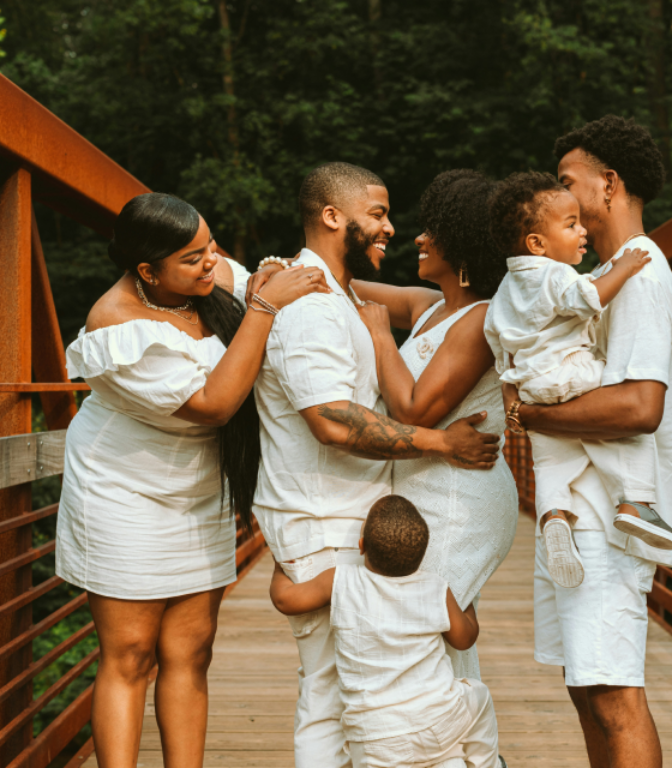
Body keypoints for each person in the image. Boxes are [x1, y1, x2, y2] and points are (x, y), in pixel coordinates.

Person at [56, 192, 329, 768]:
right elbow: (214, 404)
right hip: (123, 490)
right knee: (130, 653)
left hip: (197, 488)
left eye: (210, 247)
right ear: (146, 271)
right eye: (193, 257)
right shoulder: (116, 323)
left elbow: (255, 278)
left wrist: (272, 279)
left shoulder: (202, 276)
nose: (212, 263)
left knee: (192, 650)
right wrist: (262, 309)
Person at [251, 161, 501, 768]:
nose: (398, 229)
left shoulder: (339, 292)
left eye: (403, 219)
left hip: (390, 504)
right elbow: (333, 419)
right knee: (335, 690)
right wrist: (262, 277)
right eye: (381, 213)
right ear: (333, 216)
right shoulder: (318, 300)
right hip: (332, 512)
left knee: (365, 679)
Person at [499, 116, 672, 768]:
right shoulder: (599, 276)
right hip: (584, 514)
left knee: (613, 695)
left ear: (608, 184)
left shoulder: (638, 276)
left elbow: (640, 405)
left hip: (613, 519)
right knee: (587, 688)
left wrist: (529, 415)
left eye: (566, 181)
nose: (560, 193)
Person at [354, 169, 518, 678]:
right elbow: (340, 284)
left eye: (434, 231)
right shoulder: (430, 308)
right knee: (426, 627)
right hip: (426, 480)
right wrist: (269, 271)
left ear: (465, 245)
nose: (419, 238)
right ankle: (458, 746)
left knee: (430, 627)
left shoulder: (481, 320)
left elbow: (411, 410)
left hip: (459, 493)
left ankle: (464, 749)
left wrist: (381, 334)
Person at [484, 170, 672, 589]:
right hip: (572, 370)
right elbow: (589, 298)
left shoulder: (505, 289)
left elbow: (497, 342)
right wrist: (624, 268)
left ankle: (554, 514)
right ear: (537, 244)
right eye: (570, 225)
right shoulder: (555, 274)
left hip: (531, 383)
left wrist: (511, 390)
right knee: (618, 418)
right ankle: (635, 500)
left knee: (552, 457)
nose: (581, 232)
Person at [269, 495, 504, 768]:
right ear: (423, 554)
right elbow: (465, 638)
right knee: (479, 696)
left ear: (361, 546)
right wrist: (468, 603)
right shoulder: (436, 588)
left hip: (375, 740)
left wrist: (278, 567)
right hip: (439, 722)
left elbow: (285, 600)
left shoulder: (341, 580)